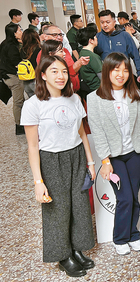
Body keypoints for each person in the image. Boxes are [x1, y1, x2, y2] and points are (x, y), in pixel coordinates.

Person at [21, 55, 96, 277]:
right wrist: (38, 182)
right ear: (43, 75)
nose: (61, 76)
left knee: (79, 206)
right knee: (58, 209)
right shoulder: (33, 105)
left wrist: (90, 162)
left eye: (64, 71)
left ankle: (76, 248)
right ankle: (63, 256)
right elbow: (33, 147)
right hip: (51, 160)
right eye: (54, 71)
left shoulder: (73, 99)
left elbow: (81, 133)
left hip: (76, 156)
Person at [87, 52, 140, 255]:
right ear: (107, 71)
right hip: (114, 156)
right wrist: (105, 160)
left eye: (125, 70)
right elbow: (97, 132)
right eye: (116, 70)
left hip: (134, 153)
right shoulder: (95, 98)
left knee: (133, 196)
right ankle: (120, 238)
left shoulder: (137, 95)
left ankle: (133, 234)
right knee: (124, 197)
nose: (121, 74)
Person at [95, 10, 140, 82]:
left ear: (114, 22)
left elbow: (135, 55)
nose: (105, 25)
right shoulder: (97, 37)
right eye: (102, 22)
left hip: (124, 75)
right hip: (107, 77)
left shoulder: (124, 35)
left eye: (108, 22)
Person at [0, 24, 24, 134]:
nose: (21, 31)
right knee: (18, 101)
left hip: (6, 75)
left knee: (19, 100)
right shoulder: (11, 47)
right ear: (14, 33)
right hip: (13, 77)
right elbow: (17, 64)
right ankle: (19, 125)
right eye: (20, 30)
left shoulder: (4, 43)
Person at [76, 27, 103, 93]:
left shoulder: (82, 52)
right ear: (91, 40)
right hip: (98, 89)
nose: (97, 39)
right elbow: (102, 76)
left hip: (88, 87)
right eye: (95, 37)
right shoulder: (93, 56)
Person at [20, 29, 41, 97]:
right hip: (36, 79)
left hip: (26, 80)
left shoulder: (22, 50)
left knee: (32, 101)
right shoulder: (39, 50)